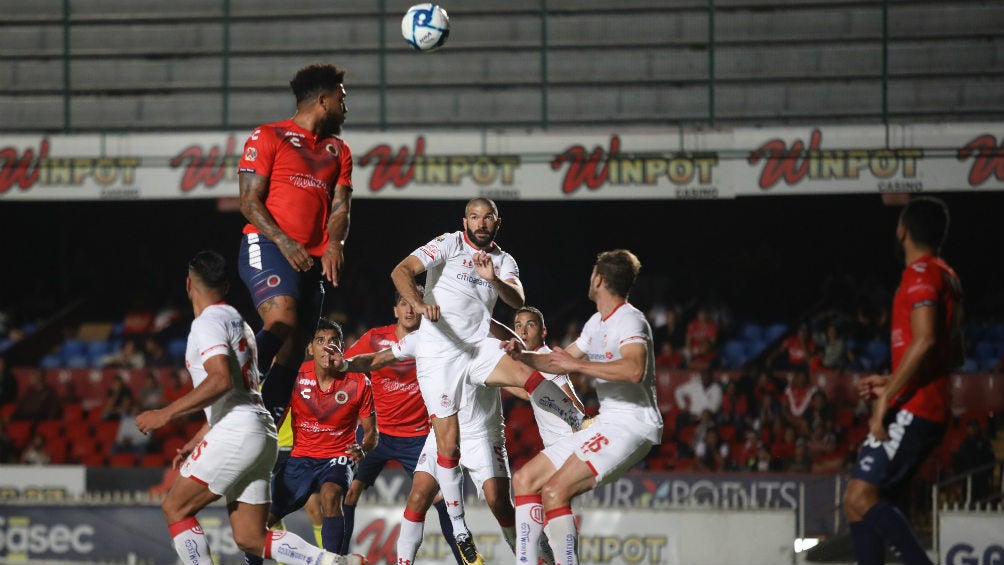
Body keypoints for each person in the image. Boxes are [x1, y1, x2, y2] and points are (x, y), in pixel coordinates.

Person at [134, 250, 361, 565]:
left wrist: (164, 414)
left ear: (189, 284)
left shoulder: (206, 324)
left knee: (175, 508)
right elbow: (239, 389)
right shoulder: (237, 323)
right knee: (251, 538)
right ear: (226, 287)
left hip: (235, 432)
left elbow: (221, 381)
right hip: (260, 431)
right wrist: (201, 436)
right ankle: (332, 562)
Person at [390, 197, 583, 565]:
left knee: (522, 372)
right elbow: (401, 270)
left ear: (498, 222)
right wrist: (416, 303)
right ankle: (460, 529)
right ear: (465, 220)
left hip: (477, 349)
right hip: (439, 355)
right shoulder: (447, 243)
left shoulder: (503, 260)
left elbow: (517, 296)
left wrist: (492, 278)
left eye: (488, 218)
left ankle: (574, 418)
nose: (481, 223)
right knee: (446, 447)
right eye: (475, 217)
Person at [505, 249, 663, 565]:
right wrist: (523, 357)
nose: (589, 278)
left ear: (599, 279)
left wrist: (578, 365)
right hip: (608, 422)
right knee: (524, 480)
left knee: (554, 492)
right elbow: (556, 362)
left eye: (592, 273)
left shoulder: (630, 319)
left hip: (633, 424)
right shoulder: (596, 322)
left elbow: (634, 370)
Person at [843, 197, 963, 565]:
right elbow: (953, 353)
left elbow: (925, 341)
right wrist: (892, 380)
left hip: (916, 406)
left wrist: (885, 399)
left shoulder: (922, 274)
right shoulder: (948, 275)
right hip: (919, 399)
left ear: (902, 231)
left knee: (861, 498)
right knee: (856, 504)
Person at [237, 63, 353, 380]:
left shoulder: (339, 151)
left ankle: (269, 420)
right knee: (282, 319)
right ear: (323, 100)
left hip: (312, 258)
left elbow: (341, 207)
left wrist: (335, 245)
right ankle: (239, 383)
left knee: (296, 345)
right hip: (268, 244)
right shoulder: (269, 135)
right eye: (341, 99)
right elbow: (248, 201)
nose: (345, 108)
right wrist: (284, 240)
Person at [338, 288, 462, 564]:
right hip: (376, 435)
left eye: (413, 304)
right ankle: (338, 558)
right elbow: (346, 367)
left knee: (442, 500)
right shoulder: (374, 338)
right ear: (395, 310)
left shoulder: (436, 341)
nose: (408, 310)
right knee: (347, 490)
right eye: (402, 304)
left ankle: (463, 559)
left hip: (418, 438)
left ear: (422, 307)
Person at [244, 318, 375, 563]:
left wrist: (363, 448)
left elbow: (371, 434)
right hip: (300, 457)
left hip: (338, 456)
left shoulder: (359, 382)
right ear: (310, 348)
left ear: (341, 349)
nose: (327, 346)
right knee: (257, 523)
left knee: (329, 496)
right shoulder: (293, 377)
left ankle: (334, 560)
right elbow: (274, 418)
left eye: (333, 341)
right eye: (320, 340)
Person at [952, 418, 995, 506]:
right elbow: (959, 461)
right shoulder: (965, 443)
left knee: (981, 501)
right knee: (968, 500)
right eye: (970, 427)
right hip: (967, 477)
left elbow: (990, 460)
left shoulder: (984, 443)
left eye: (974, 427)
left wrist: (988, 474)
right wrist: (959, 476)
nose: (972, 429)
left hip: (981, 477)